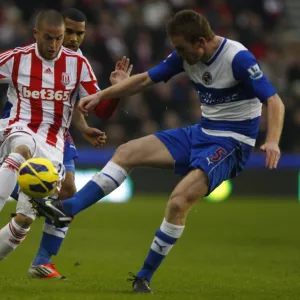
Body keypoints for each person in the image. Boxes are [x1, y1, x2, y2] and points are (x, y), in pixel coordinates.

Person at [34, 10, 285, 293]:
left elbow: (275, 102)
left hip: (232, 143)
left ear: (200, 41)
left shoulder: (238, 58)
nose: (177, 54)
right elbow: (143, 80)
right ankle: (70, 209)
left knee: (178, 202)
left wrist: (273, 140)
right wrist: (102, 95)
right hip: (202, 132)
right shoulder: (183, 55)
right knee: (127, 151)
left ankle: (143, 277)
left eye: (180, 48)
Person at [0, 9, 130, 272]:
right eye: (49, 38)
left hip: (54, 143)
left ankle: (38, 261)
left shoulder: (78, 64)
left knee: (25, 219)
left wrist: (117, 90)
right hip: (19, 127)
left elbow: (100, 110)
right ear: (36, 33)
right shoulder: (17, 58)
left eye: (59, 39)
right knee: (20, 151)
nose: (54, 45)